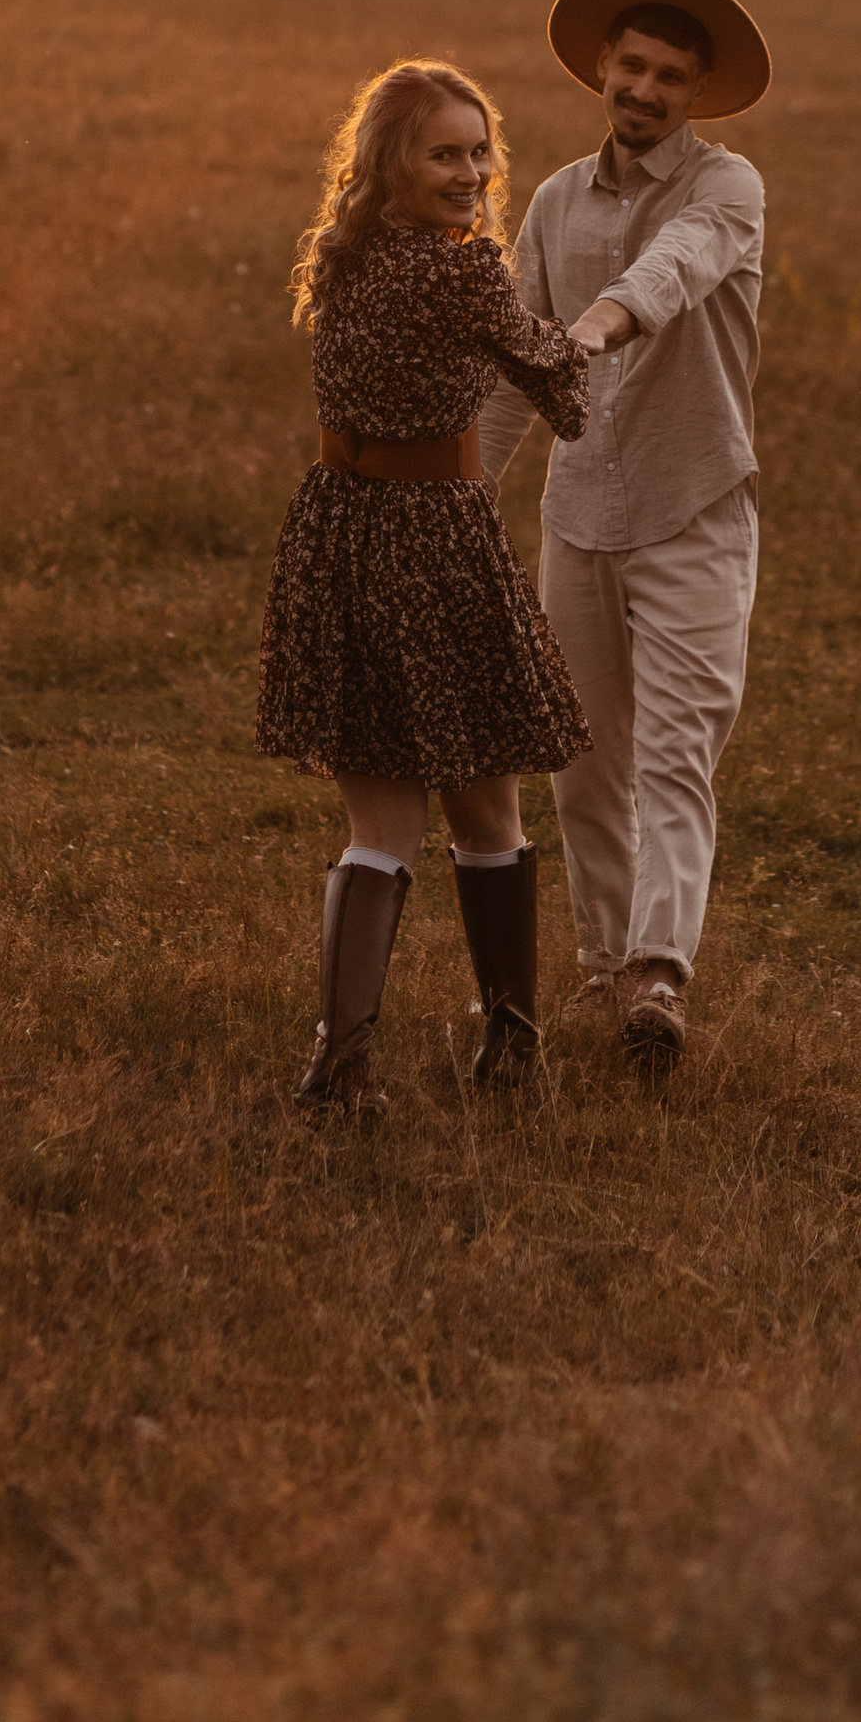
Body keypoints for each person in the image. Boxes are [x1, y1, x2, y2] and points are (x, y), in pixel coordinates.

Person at [256, 59, 592, 1111]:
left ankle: (340, 1065)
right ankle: (512, 1051)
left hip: (342, 534)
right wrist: (590, 333)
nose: (471, 172)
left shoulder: (343, 257)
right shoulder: (461, 270)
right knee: (488, 808)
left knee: (380, 825)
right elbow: (561, 385)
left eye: (479, 150)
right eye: (442, 153)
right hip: (435, 543)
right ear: (388, 163)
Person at [476, 0, 772, 1070]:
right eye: (631, 68)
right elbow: (512, 373)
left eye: (670, 78)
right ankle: (609, 970)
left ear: (696, 94)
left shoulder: (725, 190)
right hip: (581, 514)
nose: (644, 91)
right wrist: (460, 495)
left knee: (677, 748)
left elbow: (672, 270)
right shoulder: (553, 200)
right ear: (602, 67)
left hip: (695, 505)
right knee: (582, 756)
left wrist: (591, 329)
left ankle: (660, 970)